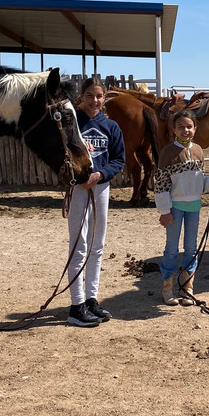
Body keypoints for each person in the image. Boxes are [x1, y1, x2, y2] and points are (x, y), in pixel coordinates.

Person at [65, 76, 125, 327]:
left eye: (99, 96)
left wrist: (100, 174)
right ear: (82, 96)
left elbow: (118, 159)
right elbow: (62, 153)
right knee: (79, 245)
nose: (95, 100)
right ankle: (76, 305)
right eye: (90, 95)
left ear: (104, 97)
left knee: (97, 245)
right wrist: (78, 166)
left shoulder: (111, 126)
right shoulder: (72, 123)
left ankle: (91, 299)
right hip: (79, 188)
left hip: (100, 187)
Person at [153, 110, 209, 306]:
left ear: (195, 128)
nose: (185, 130)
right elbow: (161, 184)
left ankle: (187, 288)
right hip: (175, 207)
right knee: (172, 249)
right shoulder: (168, 153)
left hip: (194, 206)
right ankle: (167, 288)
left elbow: (198, 180)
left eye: (189, 127)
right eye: (181, 127)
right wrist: (165, 211)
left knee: (191, 248)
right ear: (174, 130)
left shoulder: (199, 151)